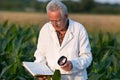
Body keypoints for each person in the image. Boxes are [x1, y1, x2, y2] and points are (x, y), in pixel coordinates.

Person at [34, 0, 92, 80]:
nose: (54, 24)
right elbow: (40, 54)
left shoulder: (79, 29)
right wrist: (41, 72)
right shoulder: (45, 29)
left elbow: (87, 56)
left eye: (58, 20)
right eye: (51, 21)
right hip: (52, 77)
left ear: (66, 16)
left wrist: (72, 65)